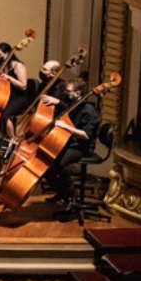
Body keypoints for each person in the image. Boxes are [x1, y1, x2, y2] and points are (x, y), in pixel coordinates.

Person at [42, 78, 101, 206]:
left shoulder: (89, 111)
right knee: (45, 161)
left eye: (68, 92)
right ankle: (61, 191)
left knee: (60, 163)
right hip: (70, 142)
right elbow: (65, 107)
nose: (66, 94)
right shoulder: (75, 105)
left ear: (78, 93)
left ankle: (71, 196)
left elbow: (86, 136)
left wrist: (65, 127)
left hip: (82, 146)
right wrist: (57, 102)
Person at [0, 42, 29, 139]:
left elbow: (23, 86)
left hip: (19, 97)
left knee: (4, 115)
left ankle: (12, 140)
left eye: (0, 55)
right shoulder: (1, 66)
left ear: (7, 53)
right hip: (6, 96)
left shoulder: (18, 66)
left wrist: (9, 78)